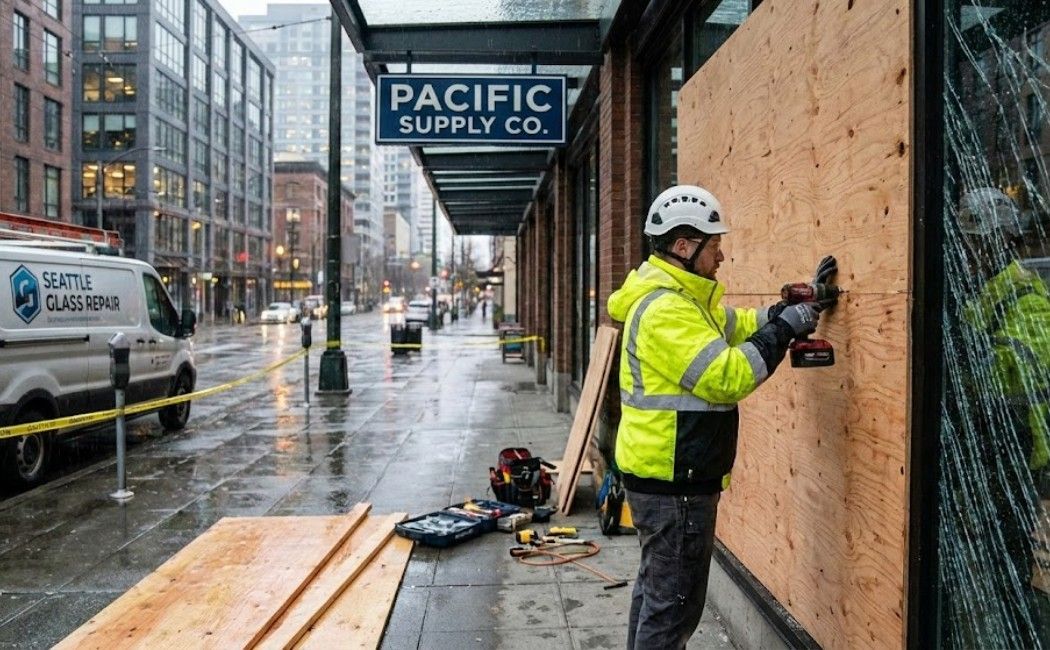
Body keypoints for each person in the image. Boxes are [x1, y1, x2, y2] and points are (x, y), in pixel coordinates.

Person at [607, 184, 833, 649]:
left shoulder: (684, 300)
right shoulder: (667, 310)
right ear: (684, 247)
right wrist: (786, 329)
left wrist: (784, 313)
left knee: (657, 597)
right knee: (673, 612)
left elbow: (738, 325)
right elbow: (727, 376)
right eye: (715, 245)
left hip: (666, 477)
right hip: (675, 483)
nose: (723, 255)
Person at [947, 187, 1050, 646]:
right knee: (989, 560)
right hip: (991, 452)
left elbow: (1019, 373)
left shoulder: (1026, 297)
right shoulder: (983, 295)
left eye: (972, 243)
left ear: (994, 242)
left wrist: (965, 358)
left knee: (1007, 564)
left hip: (1020, 456)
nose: (966, 254)